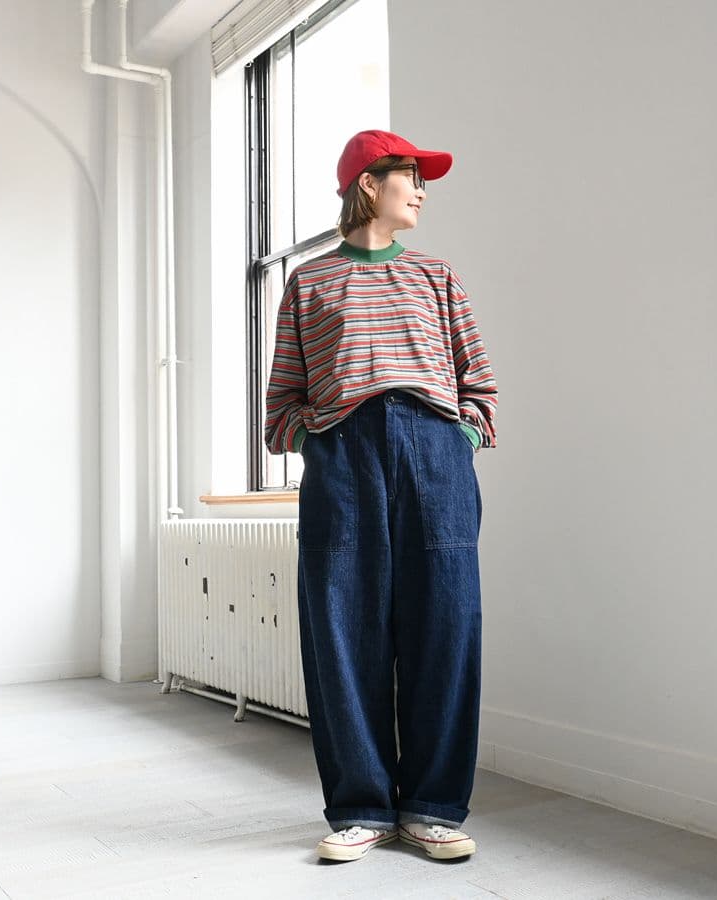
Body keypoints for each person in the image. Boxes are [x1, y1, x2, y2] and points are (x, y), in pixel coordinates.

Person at [264, 129, 498, 863]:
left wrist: (459, 439)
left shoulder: (437, 276)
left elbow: (479, 385)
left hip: (434, 455)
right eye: (410, 177)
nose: (421, 191)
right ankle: (361, 806)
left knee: (445, 627)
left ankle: (432, 805)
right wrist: (322, 444)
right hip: (345, 459)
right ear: (369, 183)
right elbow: (281, 405)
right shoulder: (309, 284)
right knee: (343, 632)